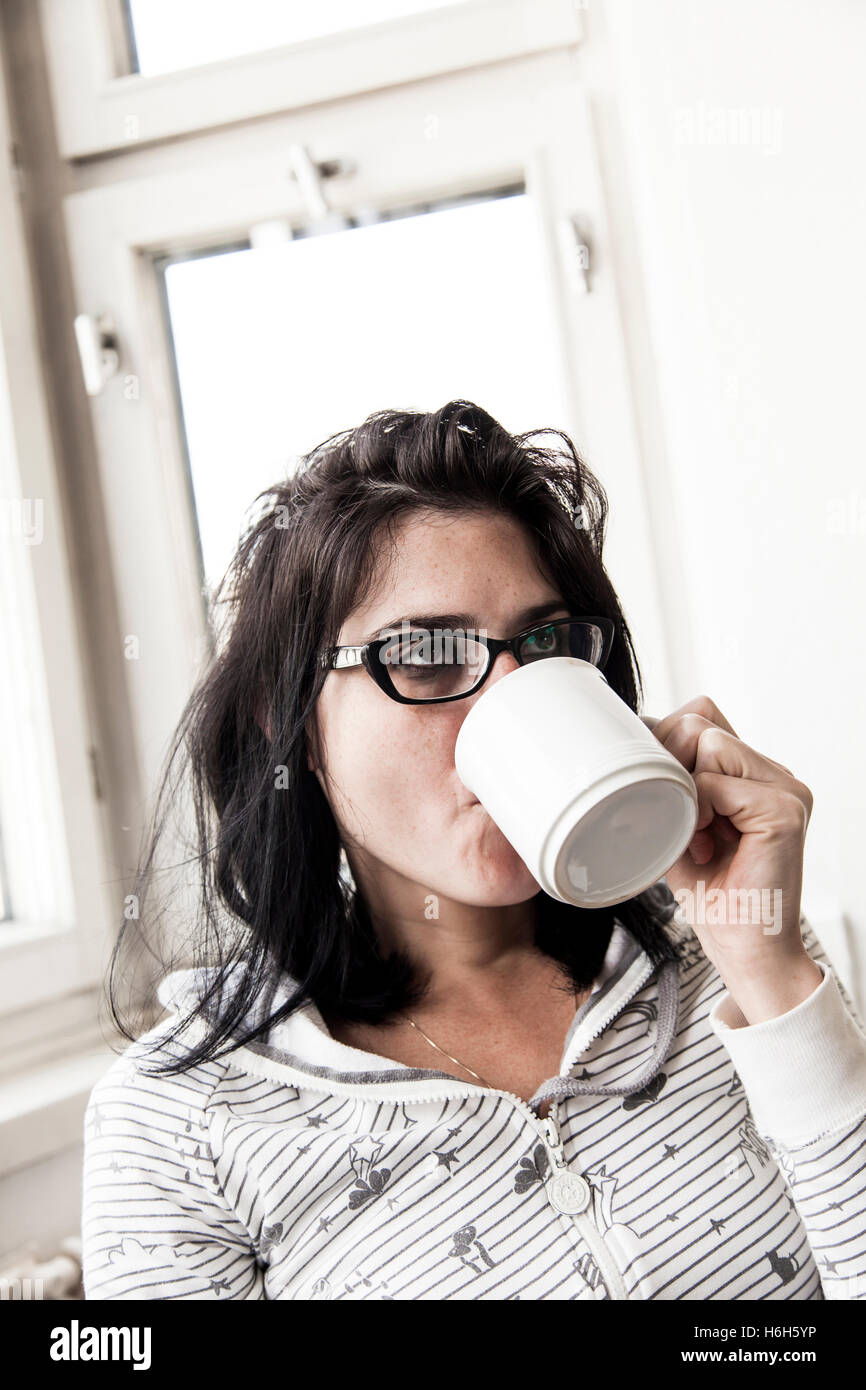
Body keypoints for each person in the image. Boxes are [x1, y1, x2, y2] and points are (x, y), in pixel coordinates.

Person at [81, 400, 866, 1300]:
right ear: (286, 720)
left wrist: (768, 969)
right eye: (424, 655)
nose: (509, 696)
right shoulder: (179, 1121)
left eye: (547, 645)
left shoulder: (725, 959)